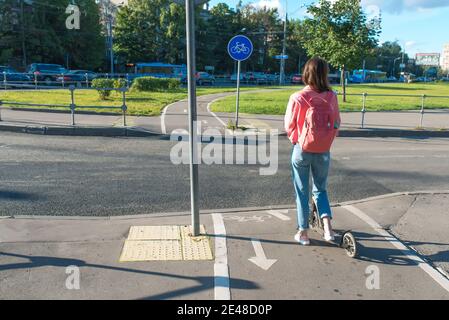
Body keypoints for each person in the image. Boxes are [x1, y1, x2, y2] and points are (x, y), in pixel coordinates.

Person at [284, 57, 341, 246]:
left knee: (301, 191)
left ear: (306, 73)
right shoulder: (331, 96)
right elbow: (336, 123)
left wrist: (296, 140)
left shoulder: (298, 97)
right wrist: (327, 141)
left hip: (302, 148)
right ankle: (328, 228)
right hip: (324, 149)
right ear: (325, 74)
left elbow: (289, 126)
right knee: (321, 188)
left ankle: (303, 233)